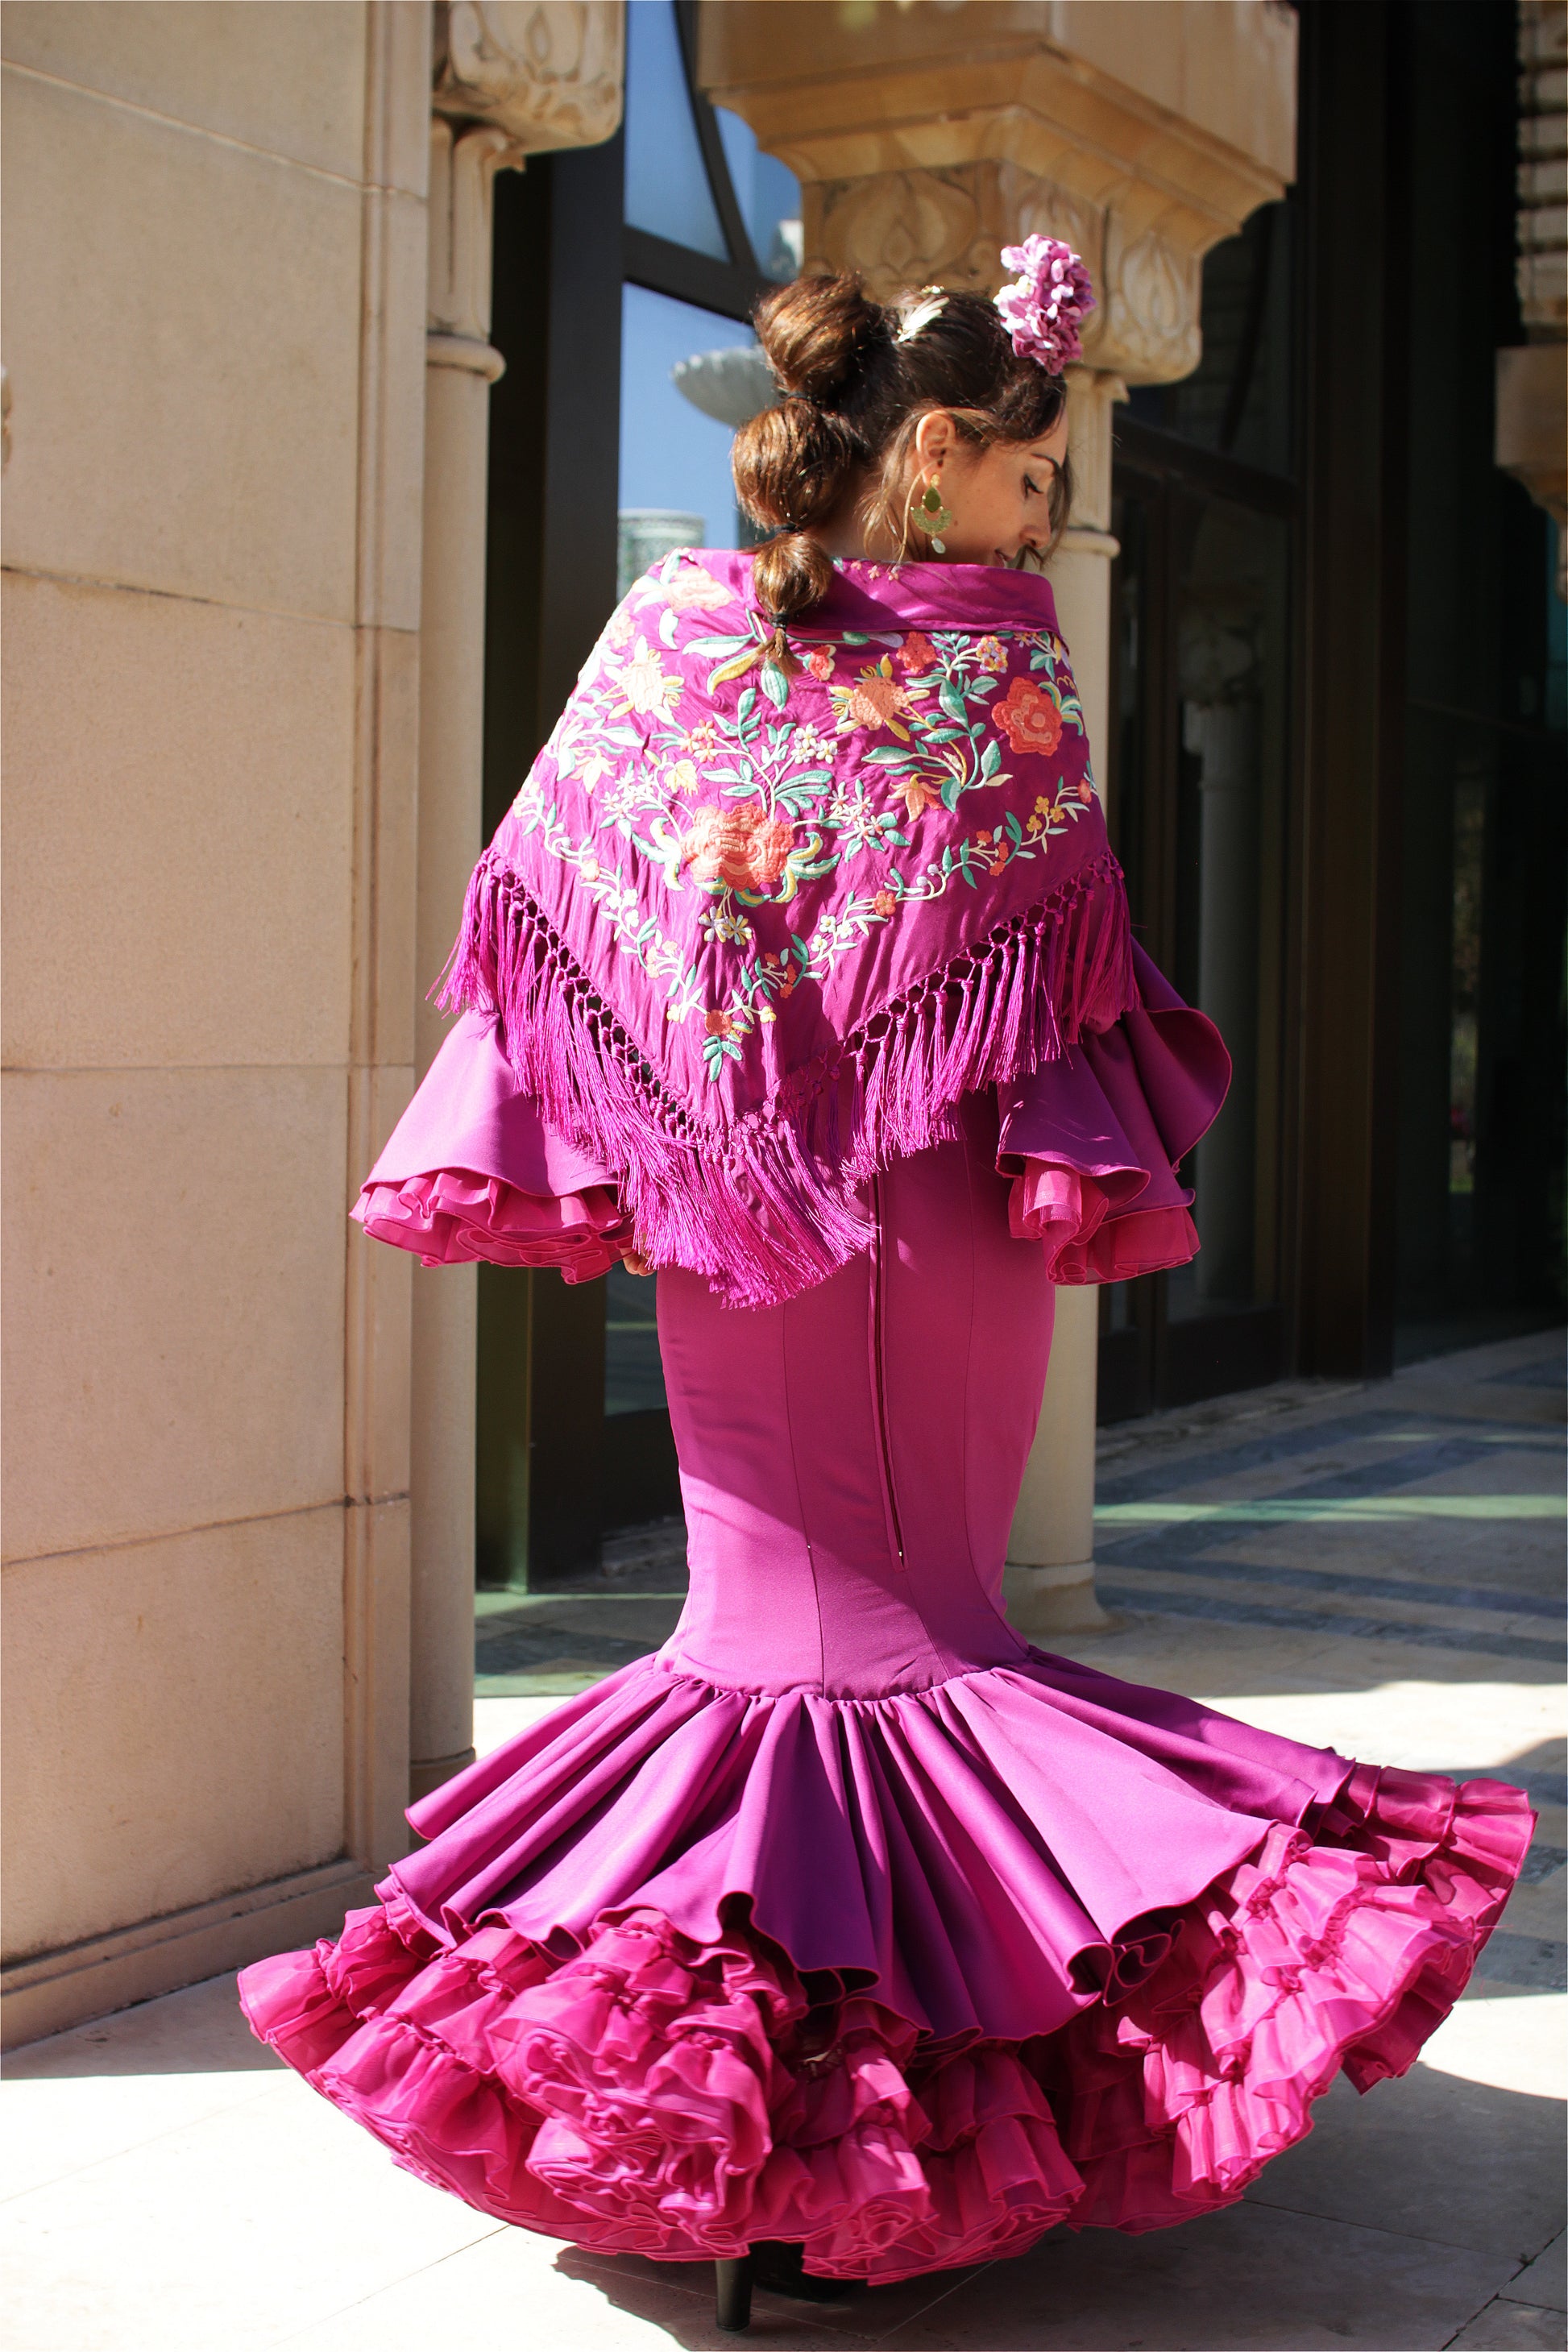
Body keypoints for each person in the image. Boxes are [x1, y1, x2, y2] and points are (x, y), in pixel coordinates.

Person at [239, 243, 1533, 2333]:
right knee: (888, 1625)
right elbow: (1040, 949)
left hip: (728, 1195)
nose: (1045, 513)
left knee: (808, 1630)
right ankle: (839, 2134)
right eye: (1035, 474)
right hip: (921, 1197)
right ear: (935, 453)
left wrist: (708, 1089)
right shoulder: (990, 658)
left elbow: (568, 901)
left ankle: (779, 2134)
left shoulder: (670, 634)